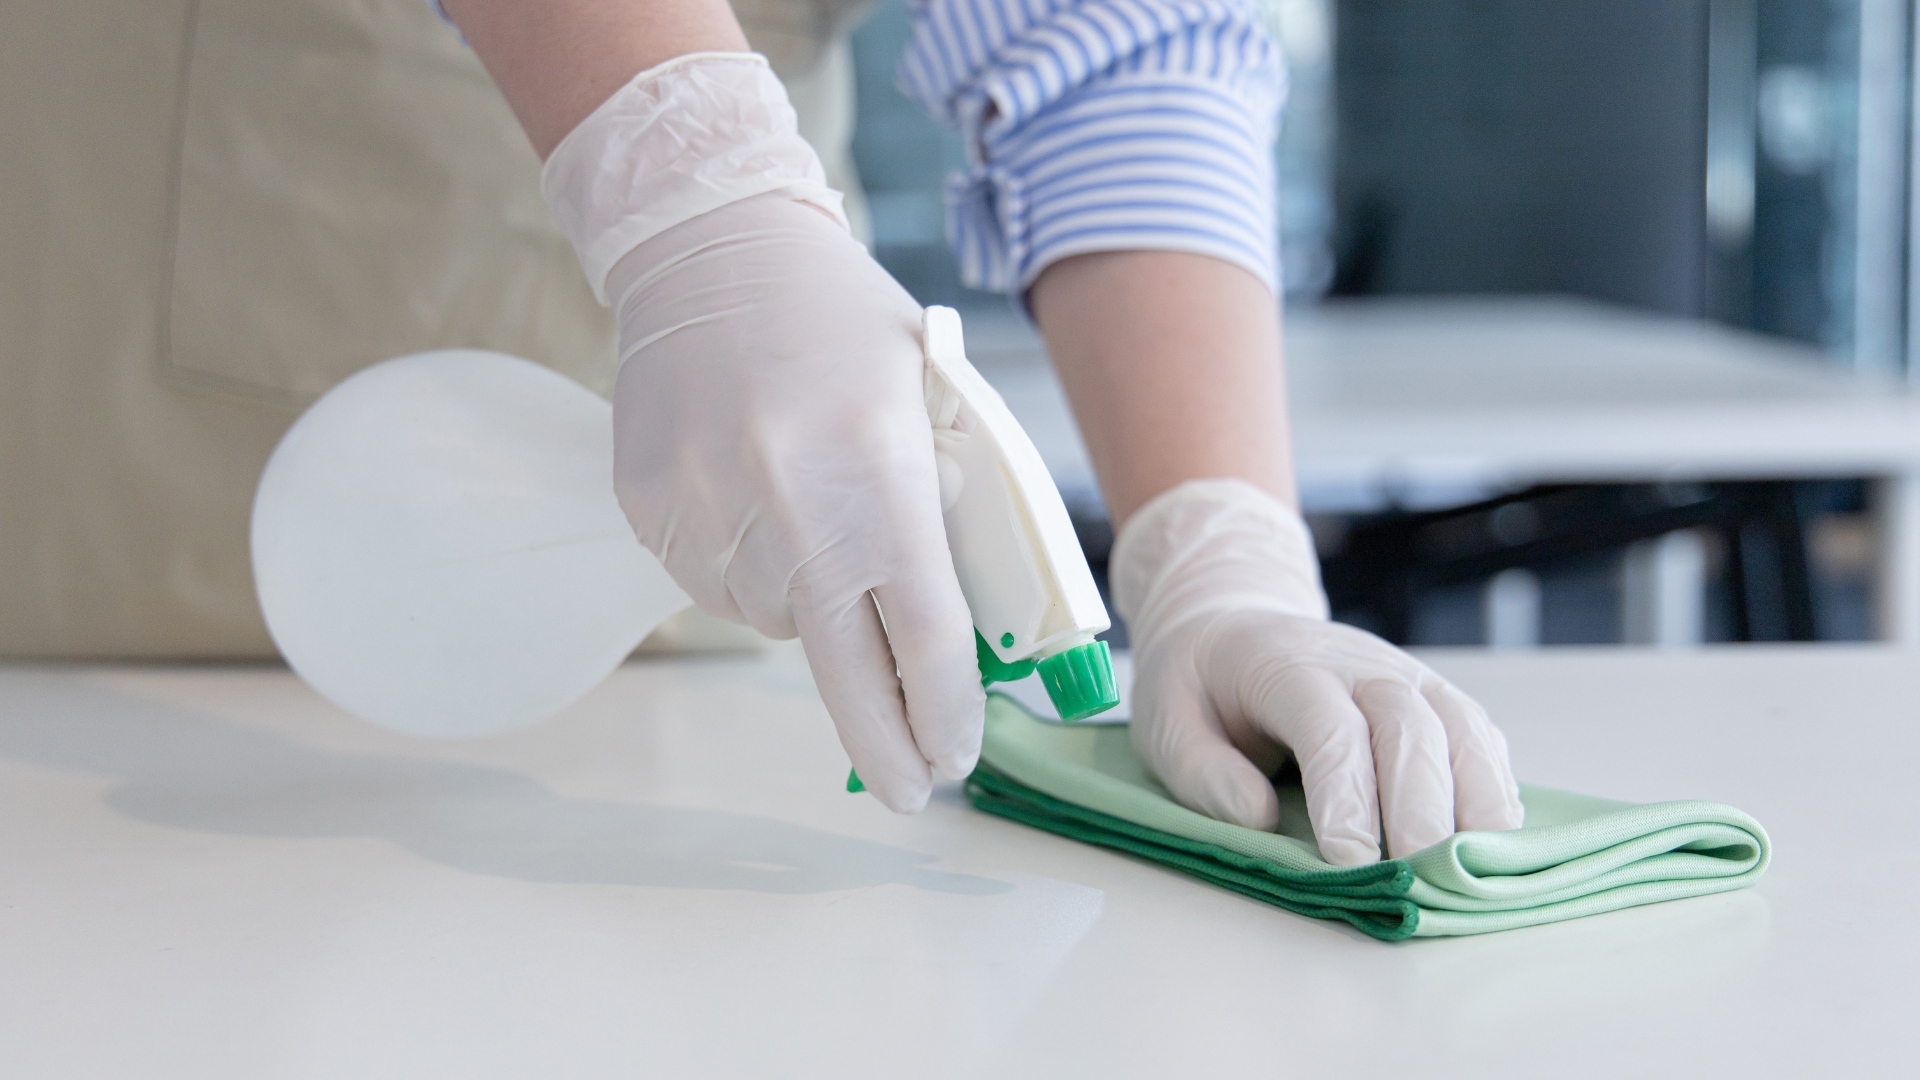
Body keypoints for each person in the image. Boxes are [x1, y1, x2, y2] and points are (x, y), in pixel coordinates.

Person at [437, 0, 1524, 865]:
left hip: (769, 630)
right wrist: (692, 202)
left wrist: (1221, 551)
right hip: (332, 560)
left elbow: (1113, 46)